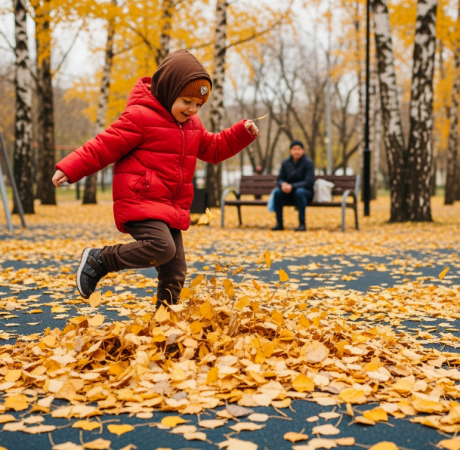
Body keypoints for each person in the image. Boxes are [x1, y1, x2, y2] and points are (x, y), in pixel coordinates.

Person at [52, 49, 258, 306]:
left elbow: (213, 149)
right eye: (186, 101)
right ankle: (99, 260)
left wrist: (240, 133)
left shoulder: (193, 126)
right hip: (141, 200)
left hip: (171, 206)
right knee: (162, 248)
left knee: (176, 270)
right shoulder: (140, 117)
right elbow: (104, 145)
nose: (193, 109)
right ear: (169, 91)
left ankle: (166, 321)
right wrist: (70, 168)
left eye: (198, 105)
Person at [273, 140, 315, 231]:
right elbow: (280, 178)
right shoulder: (285, 163)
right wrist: (283, 184)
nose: (296, 151)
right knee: (277, 192)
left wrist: (292, 186)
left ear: (303, 150)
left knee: (299, 192)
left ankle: (302, 223)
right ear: (290, 151)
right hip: (288, 192)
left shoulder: (308, 163)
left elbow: (308, 182)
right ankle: (279, 223)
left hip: (305, 193)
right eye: (294, 149)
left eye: (299, 149)